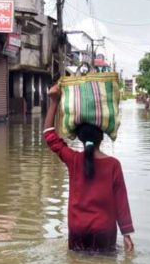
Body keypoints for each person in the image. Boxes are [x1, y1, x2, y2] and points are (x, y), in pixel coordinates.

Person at [44, 84, 135, 253]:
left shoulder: (73, 160)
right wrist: (126, 233)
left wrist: (54, 102)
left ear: (79, 137)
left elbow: (49, 135)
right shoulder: (113, 165)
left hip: (77, 229)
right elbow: (121, 201)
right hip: (104, 231)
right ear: (102, 137)